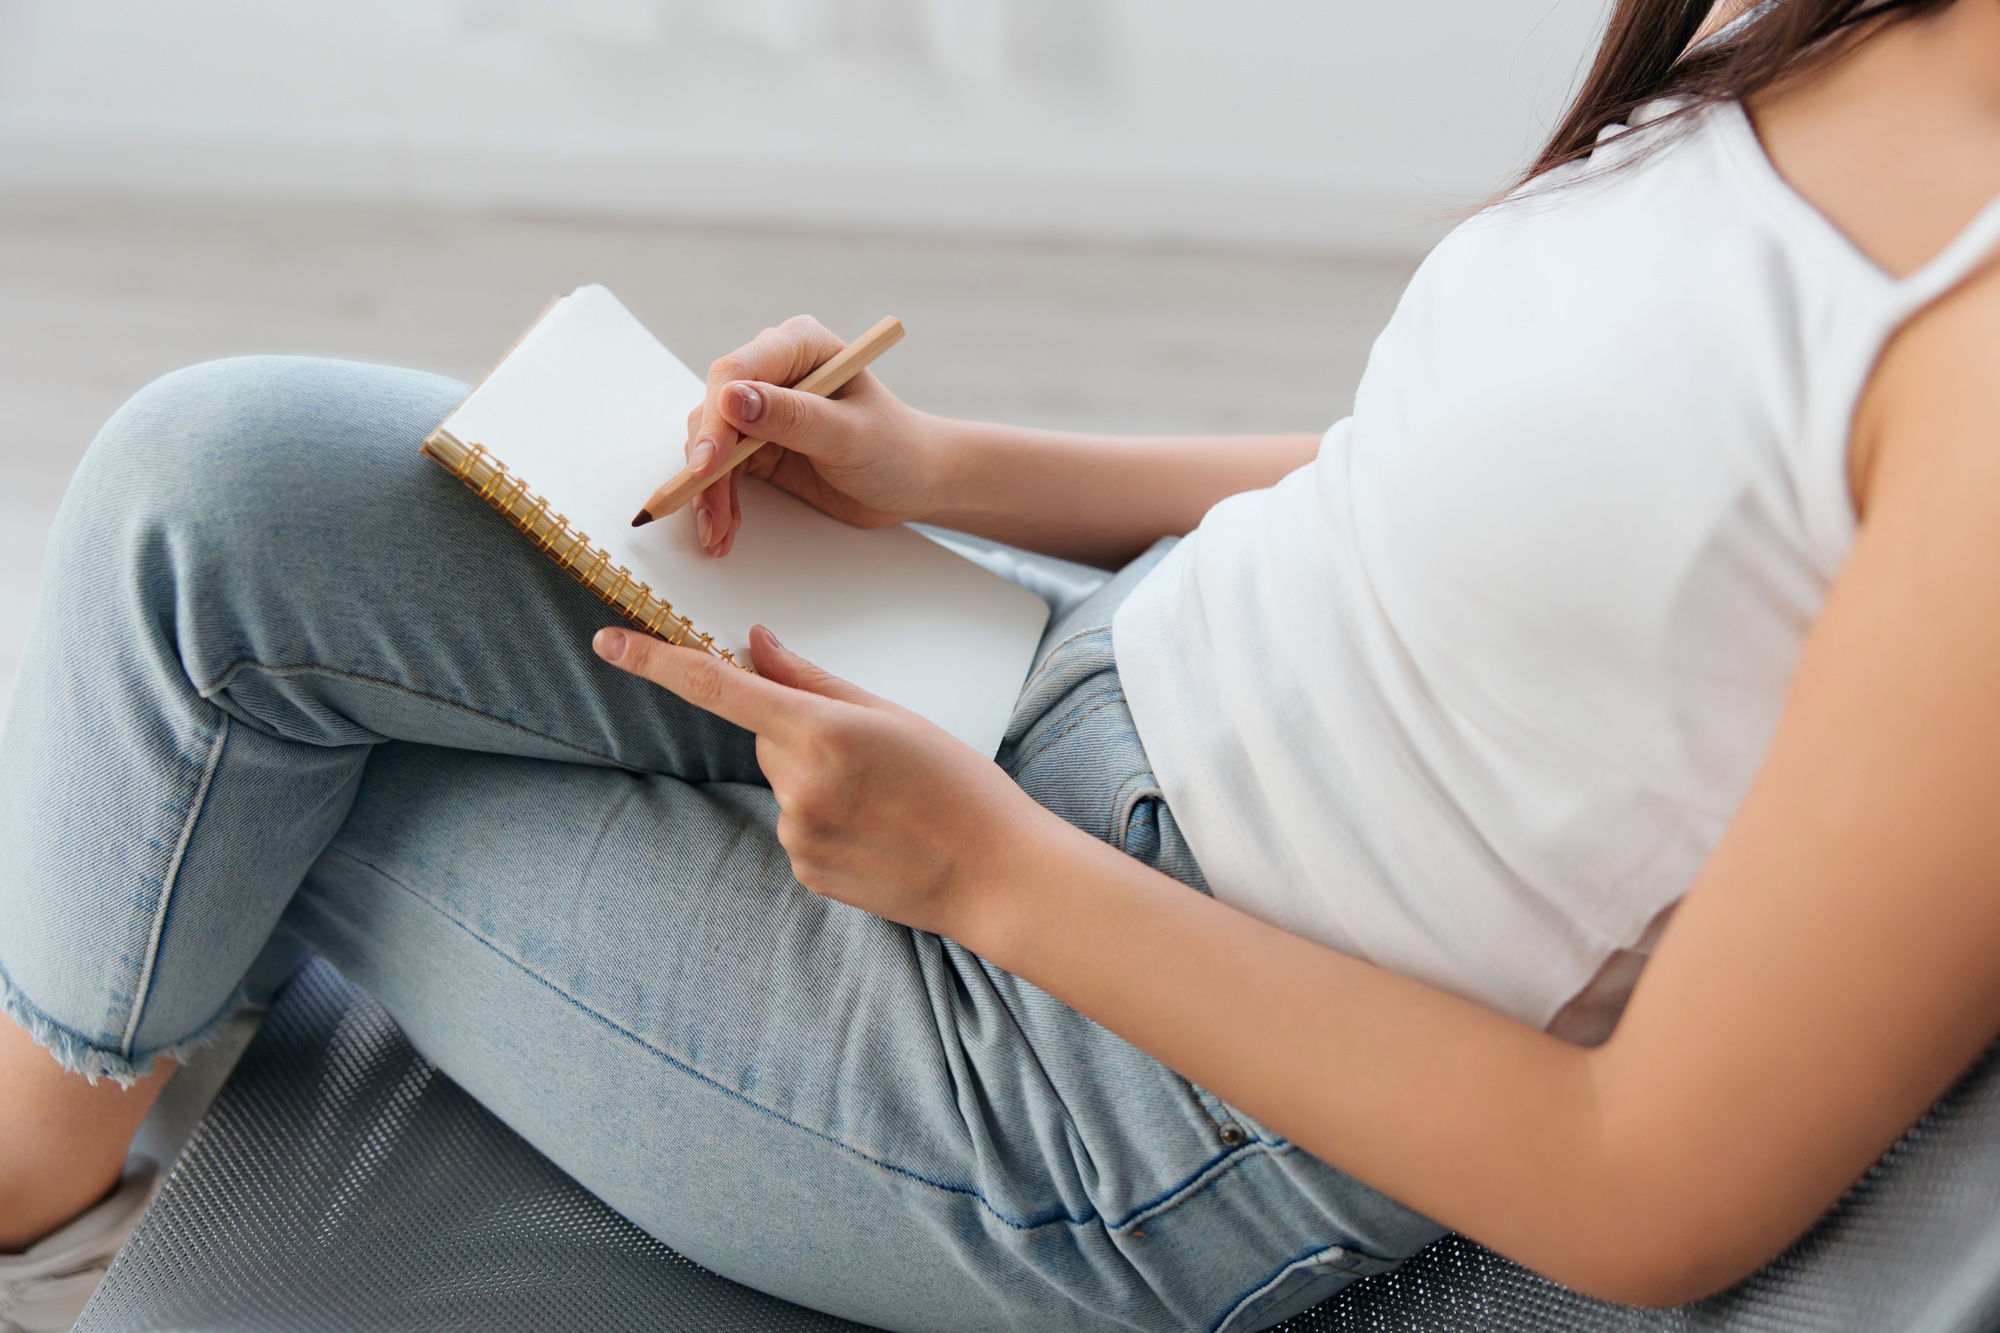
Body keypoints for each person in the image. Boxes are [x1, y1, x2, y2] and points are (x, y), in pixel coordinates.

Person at [6, 0, 2000, 1328]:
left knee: (274, 735)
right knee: (216, 484)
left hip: (1131, 1083)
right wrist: (939, 473)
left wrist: (990, 878)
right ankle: (80, 1097)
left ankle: (41, 1155)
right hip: (1067, 673)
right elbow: (1482, 484)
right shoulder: (1876, 30)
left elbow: (1652, 1188)